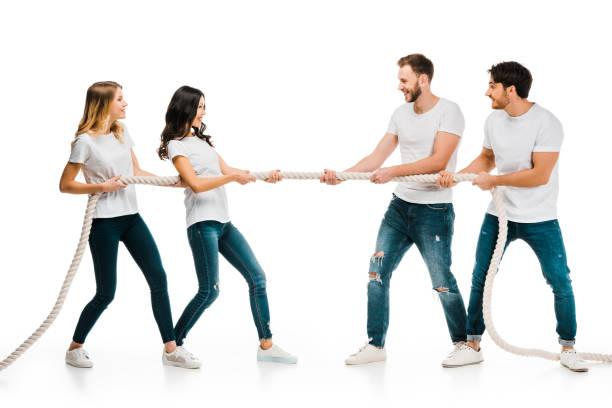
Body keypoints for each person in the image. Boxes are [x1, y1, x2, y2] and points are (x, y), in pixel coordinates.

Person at [437, 61, 587, 372]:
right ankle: (472, 345)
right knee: (481, 277)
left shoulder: (548, 122)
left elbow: (540, 175)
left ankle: (568, 347)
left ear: (511, 90)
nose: (486, 92)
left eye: (492, 86)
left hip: (540, 218)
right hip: (499, 215)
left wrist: (494, 181)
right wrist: (458, 176)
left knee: (559, 280)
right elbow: (488, 158)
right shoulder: (494, 120)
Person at [322, 54, 468, 366]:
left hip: (434, 210)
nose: (399, 86)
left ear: (423, 80)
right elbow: (377, 157)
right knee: (377, 273)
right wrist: (343, 176)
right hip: (399, 209)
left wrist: (394, 171)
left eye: (404, 80)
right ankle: (376, 345)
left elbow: (438, 161)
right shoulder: (400, 114)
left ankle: (466, 345)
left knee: (441, 281)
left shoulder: (449, 111)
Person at [59, 81, 199, 369]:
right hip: (103, 224)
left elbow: (135, 172)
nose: (126, 104)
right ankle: (75, 348)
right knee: (106, 292)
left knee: (159, 279)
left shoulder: (121, 132)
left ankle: (171, 350)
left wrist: (174, 183)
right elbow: (65, 185)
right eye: (120, 99)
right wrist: (101, 187)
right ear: (103, 104)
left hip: (131, 218)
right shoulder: (84, 142)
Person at [158, 85, 297, 364]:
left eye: (204, 107)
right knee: (209, 291)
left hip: (224, 224)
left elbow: (227, 170)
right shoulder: (177, 146)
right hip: (202, 224)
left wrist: (261, 175)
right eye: (199, 107)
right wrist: (233, 179)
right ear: (186, 109)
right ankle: (174, 346)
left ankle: (266, 346)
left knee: (257, 278)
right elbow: (196, 184)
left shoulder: (202, 141)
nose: (204, 112)